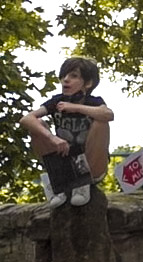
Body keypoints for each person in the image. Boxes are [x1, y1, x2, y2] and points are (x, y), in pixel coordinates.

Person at [21, 56, 114, 207]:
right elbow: (26, 119)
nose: (66, 80)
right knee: (36, 124)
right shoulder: (56, 101)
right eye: (64, 76)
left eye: (74, 76)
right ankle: (56, 182)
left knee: (101, 122)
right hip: (64, 163)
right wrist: (52, 138)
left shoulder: (94, 102)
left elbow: (108, 115)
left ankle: (83, 182)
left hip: (92, 165)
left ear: (88, 83)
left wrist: (75, 107)